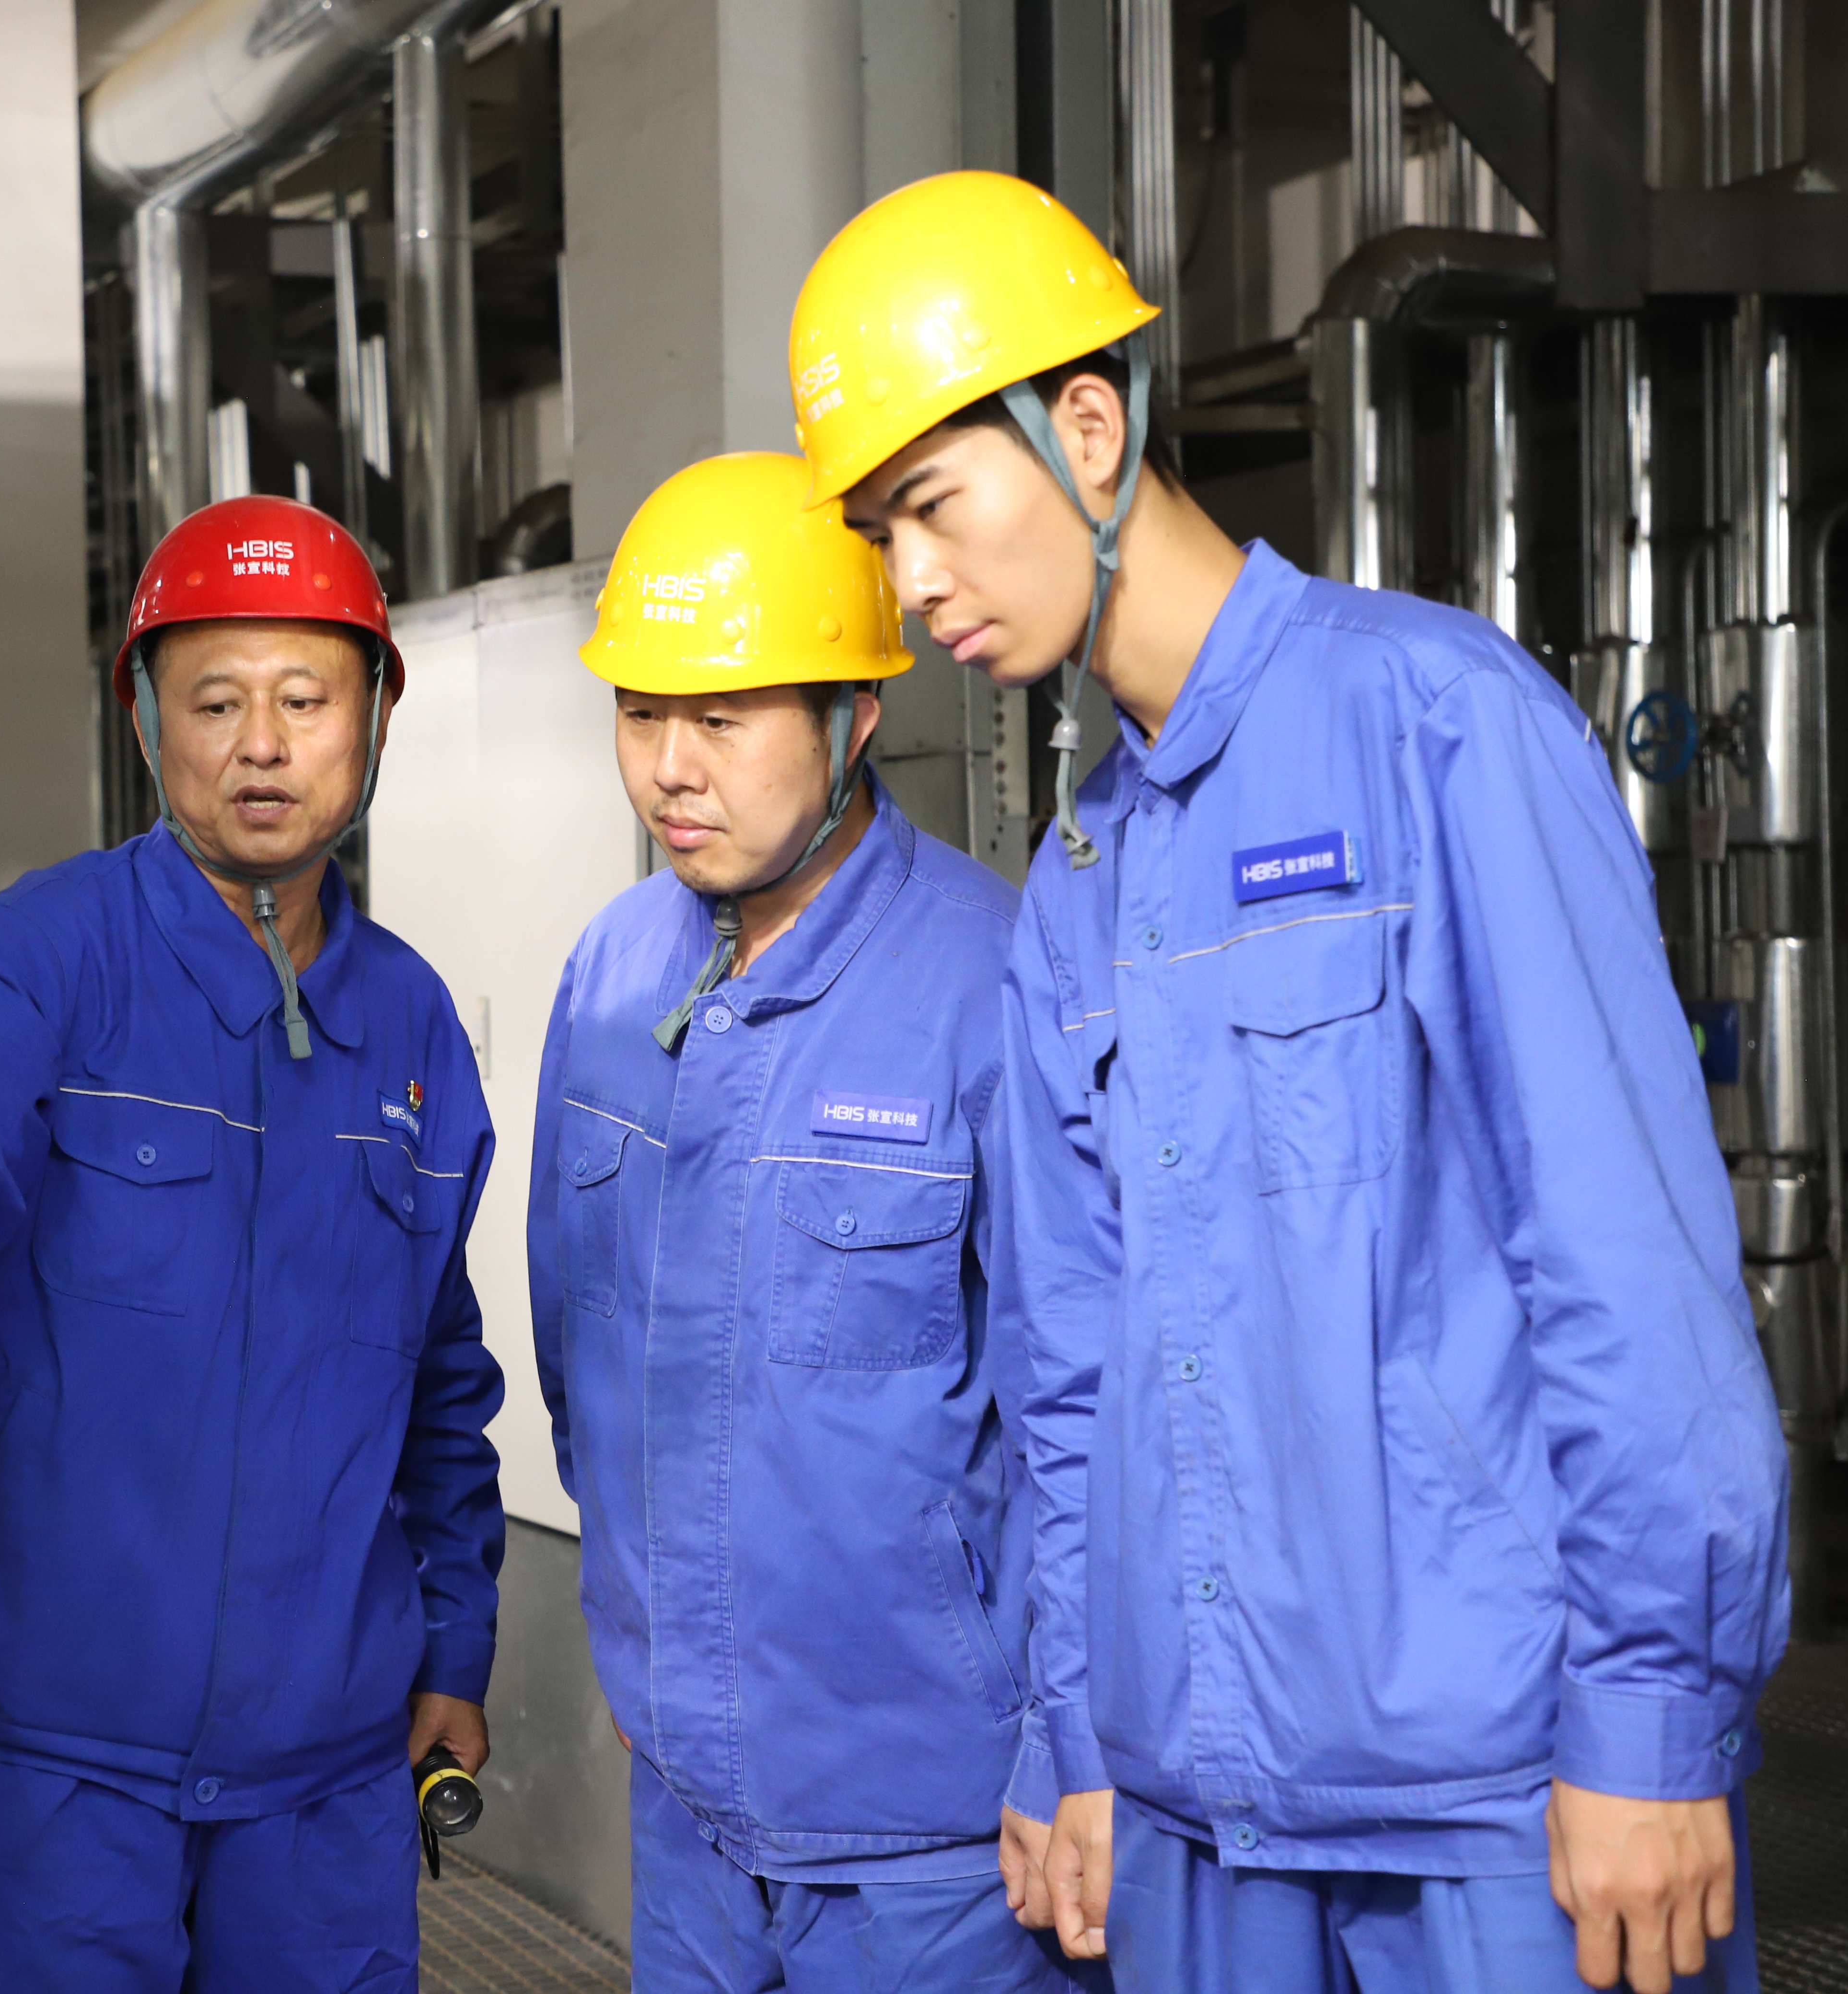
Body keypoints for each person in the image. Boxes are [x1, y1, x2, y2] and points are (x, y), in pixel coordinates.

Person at [790, 169, 1790, 1994]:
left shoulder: (1437, 725)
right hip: (1195, 1818)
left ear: (1090, 429)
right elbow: (1070, 1373)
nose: (912, 584)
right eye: (882, 534)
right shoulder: (1079, 883)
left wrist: (1651, 1718)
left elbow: (1623, 1263)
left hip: (1494, 1803)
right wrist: (1076, 1735)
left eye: (932, 505)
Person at [0, 495, 506, 1991]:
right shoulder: (42, 954)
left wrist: (453, 1645)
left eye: (304, 700)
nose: (261, 745)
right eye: (214, 701)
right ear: (146, 719)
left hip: (322, 1791)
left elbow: (440, 1381)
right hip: (44, 1780)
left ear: (375, 717)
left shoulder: (414, 1026)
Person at [527, 450, 1096, 1992]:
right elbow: (578, 1354)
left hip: (940, 1841)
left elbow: (1082, 1413)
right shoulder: (613, 975)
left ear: (855, 717)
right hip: (686, 1812)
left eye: (723, 719)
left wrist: (1070, 1748)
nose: (670, 769)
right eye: (640, 713)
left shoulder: (992, 981)